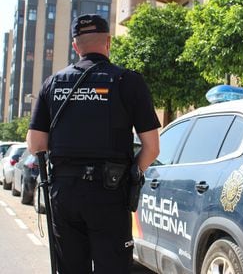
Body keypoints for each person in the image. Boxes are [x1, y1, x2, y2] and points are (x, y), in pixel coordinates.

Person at [26, 14, 160, 274]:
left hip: (65, 193)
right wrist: (133, 173)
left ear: (75, 46)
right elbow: (152, 148)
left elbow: (36, 145)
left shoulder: (52, 84)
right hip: (110, 192)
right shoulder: (128, 81)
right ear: (108, 42)